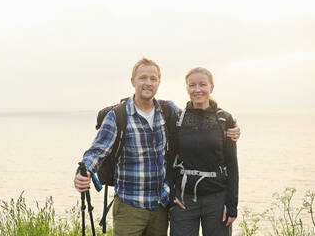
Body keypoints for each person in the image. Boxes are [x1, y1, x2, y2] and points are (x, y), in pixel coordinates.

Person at [74, 59, 240, 236]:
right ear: (133, 81)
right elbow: (97, 151)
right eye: (143, 78)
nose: (148, 83)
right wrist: (84, 171)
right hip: (130, 205)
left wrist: (231, 127)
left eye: (153, 78)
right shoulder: (118, 115)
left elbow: (197, 116)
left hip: (160, 206)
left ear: (159, 82)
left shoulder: (168, 111)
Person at [169, 67, 239, 236]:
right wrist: (170, 196)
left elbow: (231, 163)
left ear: (211, 87)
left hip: (217, 199)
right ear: (187, 88)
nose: (197, 89)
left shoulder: (224, 119)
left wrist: (232, 205)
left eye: (202, 84)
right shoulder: (177, 118)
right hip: (183, 200)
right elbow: (170, 158)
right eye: (192, 85)